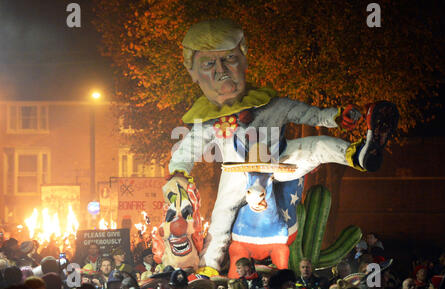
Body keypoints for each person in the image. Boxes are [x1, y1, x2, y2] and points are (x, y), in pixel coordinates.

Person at [164, 19, 399, 274]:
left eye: (229, 59)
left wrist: (337, 116)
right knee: (221, 218)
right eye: (209, 63)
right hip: (236, 173)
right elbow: (187, 149)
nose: (221, 70)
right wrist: (179, 173)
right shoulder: (209, 121)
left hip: (280, 161)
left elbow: (309, 114)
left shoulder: (272, 104)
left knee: (317, 145)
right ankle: (208, 269)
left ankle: (358, 155)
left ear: (244, 60)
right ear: (193, 73)